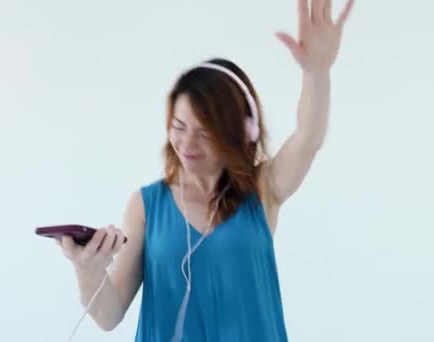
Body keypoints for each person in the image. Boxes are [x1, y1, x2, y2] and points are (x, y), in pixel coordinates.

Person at [57, 0, 354, 341]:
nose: (187, 143)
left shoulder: (262, 190)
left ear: (243, 131)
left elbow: (308, 138)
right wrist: (87, 270)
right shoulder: (145, 205)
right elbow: (109, 315)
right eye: (179, 126)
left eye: (205, 131)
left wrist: (316, 72)